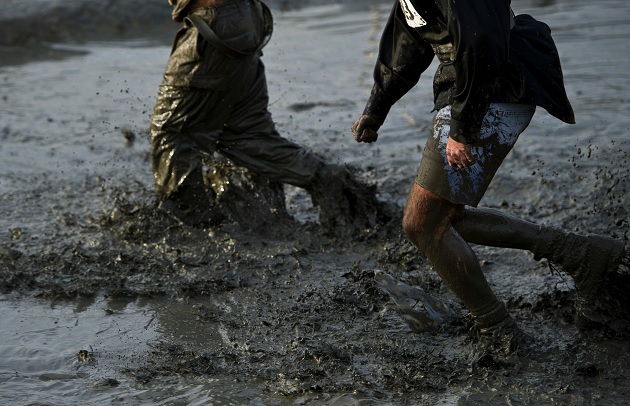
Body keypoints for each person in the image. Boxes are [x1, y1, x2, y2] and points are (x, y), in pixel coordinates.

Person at [352, 0, 629, 351]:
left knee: (424, 224)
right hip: (470, 84)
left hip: (495, 83)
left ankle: (499, 330)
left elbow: (482, 42)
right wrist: (375, 109)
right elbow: (406, 42)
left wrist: (463, 128)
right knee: (441, 220)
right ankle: (583, 254)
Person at [150, 0, 385, 232]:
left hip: (213, 23)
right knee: (247, 134)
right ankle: (327, 179)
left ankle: (192, 226)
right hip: (243, 16)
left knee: (172, 135)